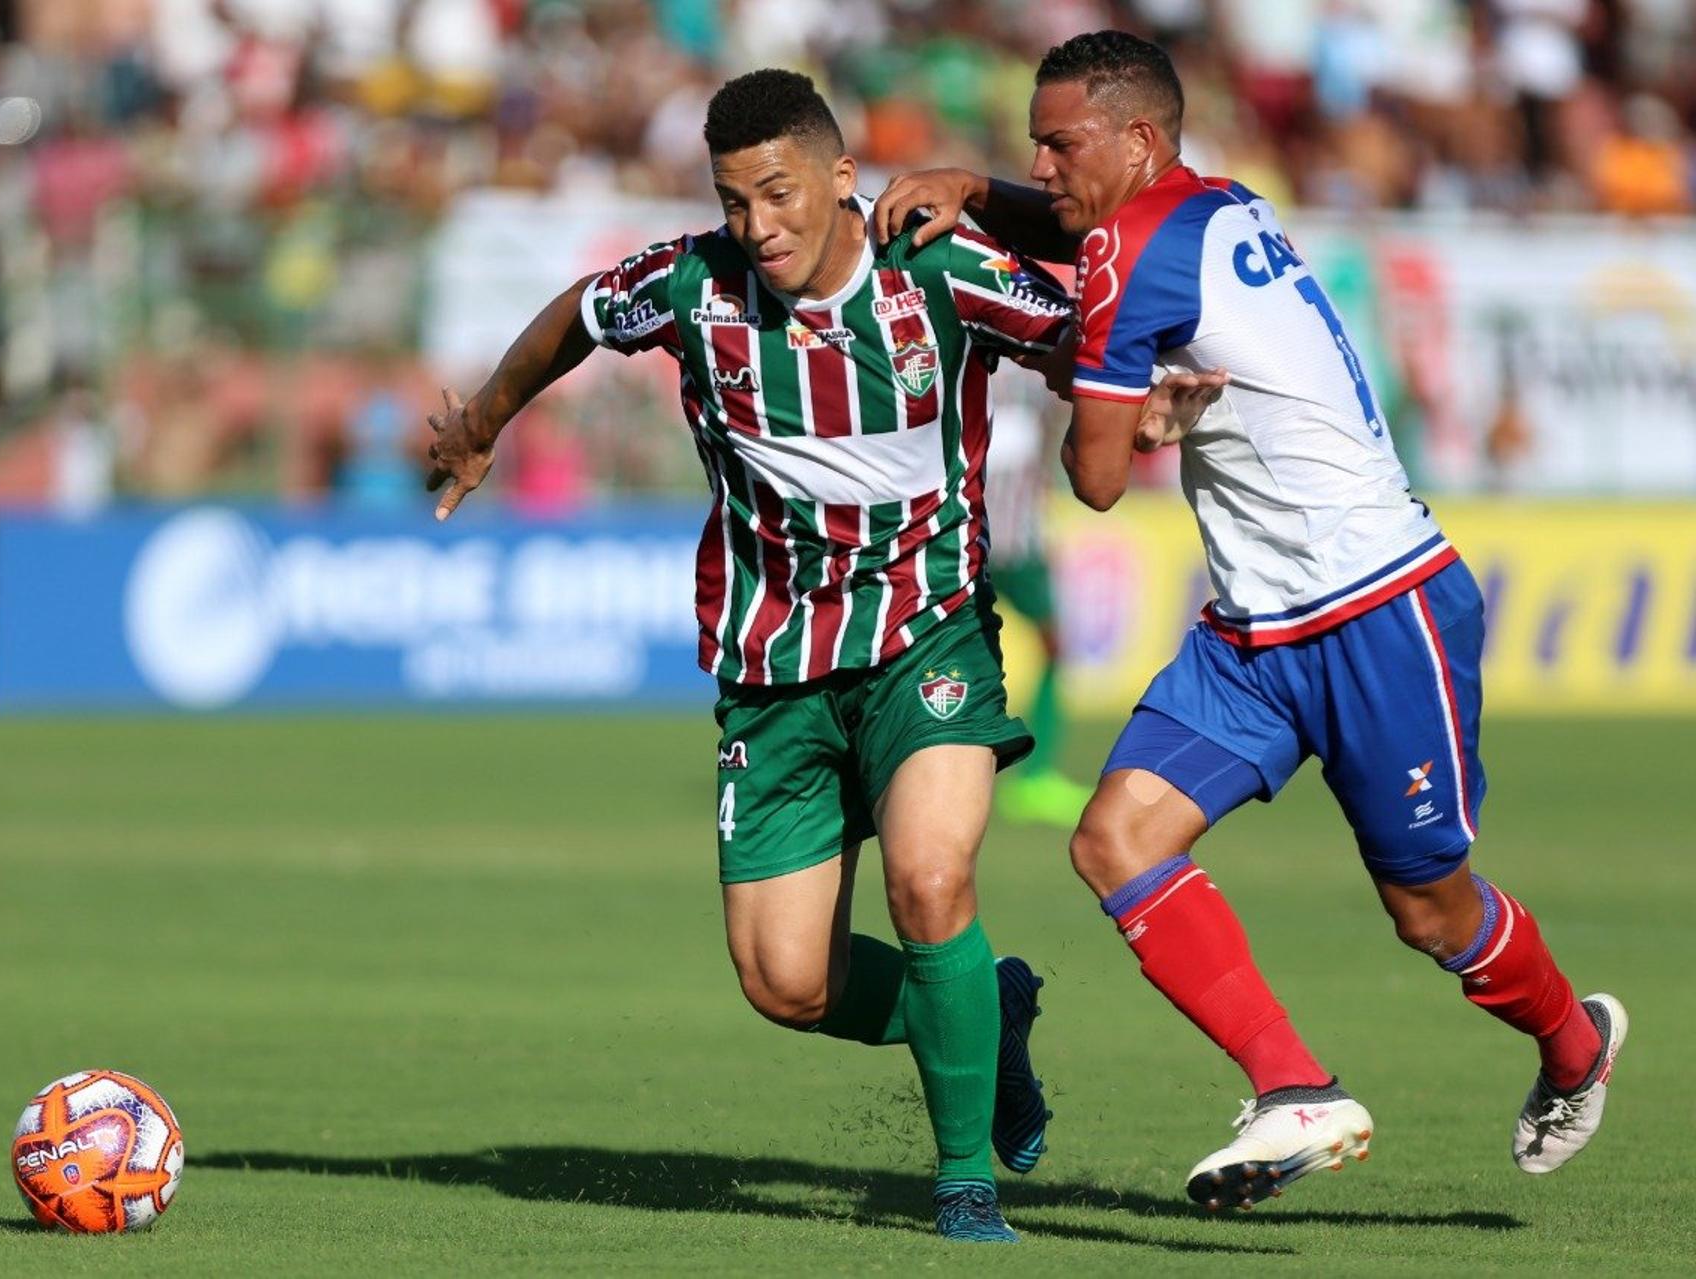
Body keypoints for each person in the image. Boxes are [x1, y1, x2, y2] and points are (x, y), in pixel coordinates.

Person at [424, 68, 1221, 1242]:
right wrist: (487, 420)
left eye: (780, 195)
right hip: (773, 674)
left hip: (927, 637)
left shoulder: (939, 270)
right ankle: (984, 1014)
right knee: (783, 982)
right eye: (736, 201)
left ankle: (963, 1184)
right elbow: (579, 314)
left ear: (842, 179)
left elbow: (1074, 343)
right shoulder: (695, 287)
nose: (759, 226)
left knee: (929, 882)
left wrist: (1148, 401)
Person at [873, 31, 1625, 1211]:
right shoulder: (1208, 205)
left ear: (1138, 139)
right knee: (1115, 838)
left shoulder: (1130, 248)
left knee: (1428, 908)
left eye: (1058, 141)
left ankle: (1574, 1043)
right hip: (1256, 631)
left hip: (1382, 605)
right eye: (1031, 141)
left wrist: (1114, 398)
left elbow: (1101, 479)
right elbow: (1095, 256)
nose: (1040, 160)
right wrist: (975, 195)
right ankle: (1295, 1087)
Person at [984, 360, 1094, 828]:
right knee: (1051, 643)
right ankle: (1036, 773)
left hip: (970, 533)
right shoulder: (1032, 366)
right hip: (1011, 540)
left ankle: (1017, 772)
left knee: (969, 648)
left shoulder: (975, 360)